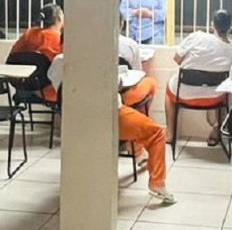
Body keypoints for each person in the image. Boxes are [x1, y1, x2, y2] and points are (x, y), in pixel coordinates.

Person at [47, 36, 176, 204]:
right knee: (157, 133)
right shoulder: (101, 60)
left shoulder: (58, 61)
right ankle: (156, 182)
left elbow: (56, 86)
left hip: (74, 121)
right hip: (110, 116)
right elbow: (117, 84)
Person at [164, 10, 232, 146]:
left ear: (212, 25)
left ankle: (170, 133)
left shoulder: (197, 37)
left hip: (183, 93)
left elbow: (177, 59)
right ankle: (216, 129)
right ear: (230, 27)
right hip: (215, 97)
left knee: (168, 90)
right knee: (226, 90)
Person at [10, 4, 64, 102]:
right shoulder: (59, 39)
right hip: (51, 93)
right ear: (59, 17)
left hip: (22, 86)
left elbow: (12, 57)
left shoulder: (28, 34)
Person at [118, 31, 157, 110]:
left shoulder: (93, 46)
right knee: (151, 82)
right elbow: (138, 73)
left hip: (100, 94)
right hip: (125, 96)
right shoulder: (129, 44)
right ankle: (139, 112)